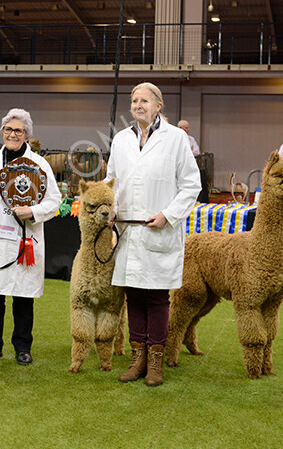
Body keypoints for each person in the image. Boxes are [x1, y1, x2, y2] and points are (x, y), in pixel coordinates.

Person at [108, 83, 201, 386]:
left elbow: (191, 185)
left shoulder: (176, 139)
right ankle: (138, 358)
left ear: (159, 106)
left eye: (144, 100)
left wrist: (168, 215)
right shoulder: (121, 139)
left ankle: (156, 360)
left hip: (158, 229)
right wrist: (110, 207)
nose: (138, 105)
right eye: (134, 100)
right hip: (128, 230)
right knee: (133, 294)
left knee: (158, 296)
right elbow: (111, 180)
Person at [0, 108, 60, 366]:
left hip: (24, 239)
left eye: (18, 130)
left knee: (22, 296)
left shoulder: (40, 164)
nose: (12, 134)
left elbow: (54, 201)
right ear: (2, 132)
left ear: (27, 134)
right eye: (8, 129)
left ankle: (22, 346)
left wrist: (32, 211)